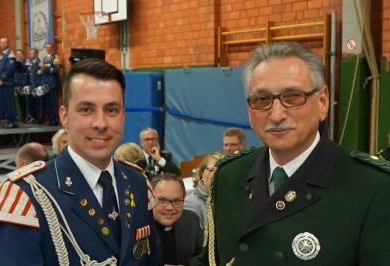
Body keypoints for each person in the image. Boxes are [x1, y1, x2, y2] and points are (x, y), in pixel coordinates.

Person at [192, 42, 390, 266]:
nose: (276, 115)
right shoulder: (229, 175)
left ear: (323, 102)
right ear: (249, 110)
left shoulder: (373, 187)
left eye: (293, 96)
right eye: (262, 100)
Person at [0, 58, 157, 265]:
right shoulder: (26, 197)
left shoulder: (139, 184)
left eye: (111, 110)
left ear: (123, 116)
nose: (100, 123)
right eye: (86, 109)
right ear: (64, 116)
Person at [151, 173, 203, 266]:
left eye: (177, 201)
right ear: (150, 199)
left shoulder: (191, 220)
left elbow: (205, 256)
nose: (170, 207)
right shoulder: (140, 224)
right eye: (162, 200)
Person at [184, 152, 223, 230]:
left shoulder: (230, 200)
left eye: (220, 170)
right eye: (212, 170)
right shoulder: (190, 204)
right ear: (202, 173)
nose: (215, 174)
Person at [0, 37, 17, 128]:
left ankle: (12, 121)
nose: (2, 44)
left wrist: (1, 80)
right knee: (4, 103)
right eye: (1, 43)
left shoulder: (10, 55)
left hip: (7, 83)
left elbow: (10, 69)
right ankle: (8, 120)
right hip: (0, 83)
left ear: (8, 44)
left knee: (10, 102)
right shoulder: (1, 56)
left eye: (4, 43)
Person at [38, 42, 60, 125]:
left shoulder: (55, 57)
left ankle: (54, 120)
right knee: (47, 102)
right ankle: (50, 119)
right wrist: (41, 70)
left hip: (52, 83)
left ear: (52, 48)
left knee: (53, 102)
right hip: (45, 83)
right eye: (46, 47)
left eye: (49, 47)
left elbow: (56, 70)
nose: (48, 49)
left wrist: (46, 68)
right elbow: (44, 69)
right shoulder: (44, 58)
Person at [27, 47, 43, 123]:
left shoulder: (39, 62)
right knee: (31, 102)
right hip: (31, 84)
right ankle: (33, 117)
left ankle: (39, 118)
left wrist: (41, 69)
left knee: (38, 102)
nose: (31, 55)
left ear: (36, 54)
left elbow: (43, 70)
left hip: (37, 85)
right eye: (30, 53)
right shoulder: (29, 62)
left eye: (32, 53)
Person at [14, 49, 30, 122]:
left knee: (24, 102)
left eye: (20, 54)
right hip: (15, 85)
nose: (18, 55)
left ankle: (24, 117)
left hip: (23, 85)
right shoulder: (13, 63)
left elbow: (27, 73)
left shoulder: (26, 62)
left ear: (22, 55)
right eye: (17, 54)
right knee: (16, 103)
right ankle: (17, 116)